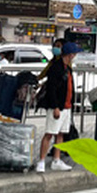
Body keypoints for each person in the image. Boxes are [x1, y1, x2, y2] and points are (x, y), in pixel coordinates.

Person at [37, 42, 78, 173]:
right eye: (74, 53)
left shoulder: (68, 68)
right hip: (57, 106)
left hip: (66, 106)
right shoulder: (56, 68)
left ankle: (56, 159)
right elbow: (51, 89)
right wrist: (55, 106)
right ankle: (41, 161)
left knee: (60, 133)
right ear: (70, 54)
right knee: (50, 132)